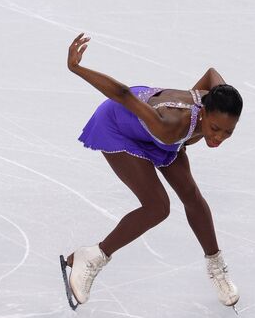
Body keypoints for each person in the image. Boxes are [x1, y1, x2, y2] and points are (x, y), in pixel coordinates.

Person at [62, 33, 242, 309]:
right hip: (118, 126)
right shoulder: (170, 125)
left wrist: (192, 132)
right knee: (157, 206)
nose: (218, 138)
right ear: (204, 113)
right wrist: (77, 68)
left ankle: (216, 267)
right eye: (215, 129)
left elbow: (211, 73)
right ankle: (93, 256)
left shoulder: (216, 98)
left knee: (191, 195)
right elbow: (122, 94)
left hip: (162, 134)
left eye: (228, 132)